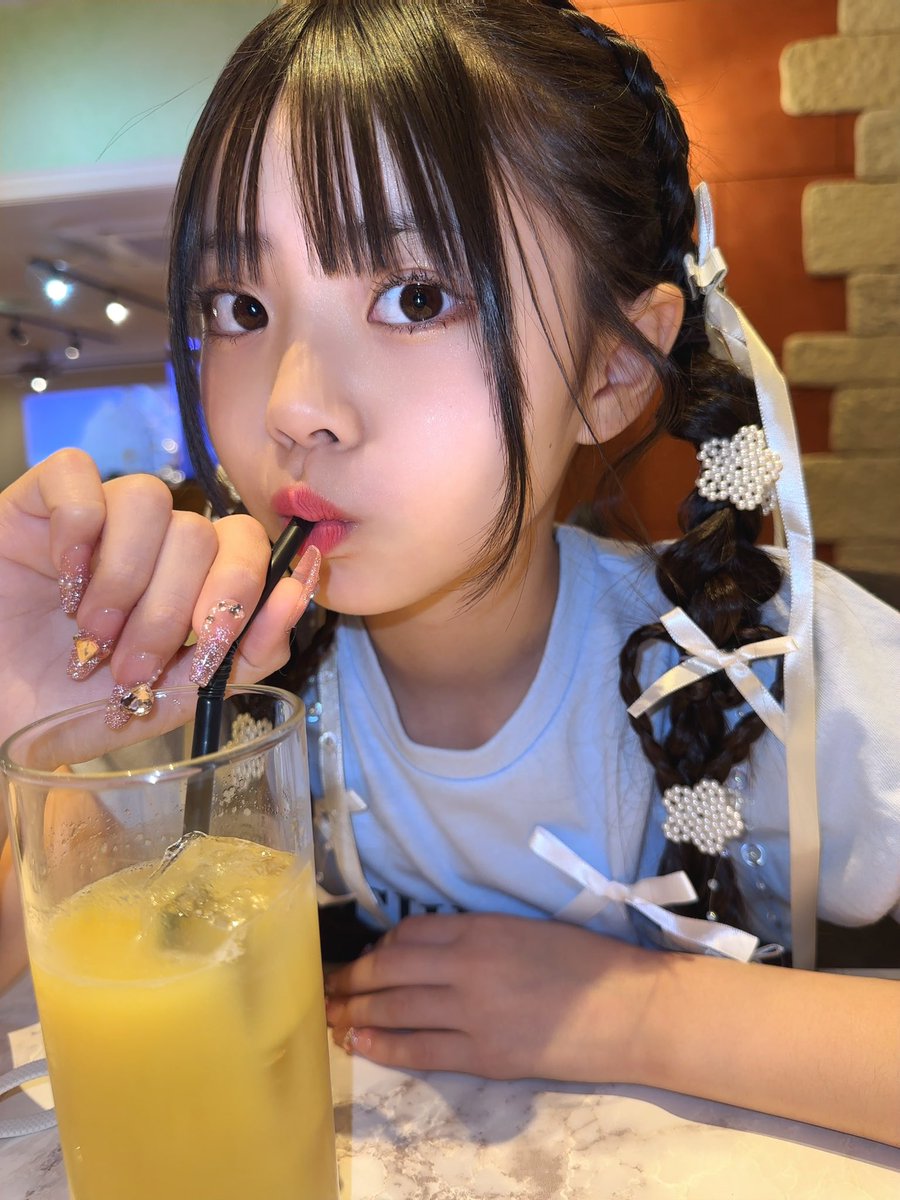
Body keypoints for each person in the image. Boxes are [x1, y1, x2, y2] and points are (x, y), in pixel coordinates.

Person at [0, 0, 897, 1147]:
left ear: (612, 371)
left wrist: (636, 1015)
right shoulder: (191, 677)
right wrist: (24, 716)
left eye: (415, 298)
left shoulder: (762, 659)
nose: (294, 407)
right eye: (241, 308)